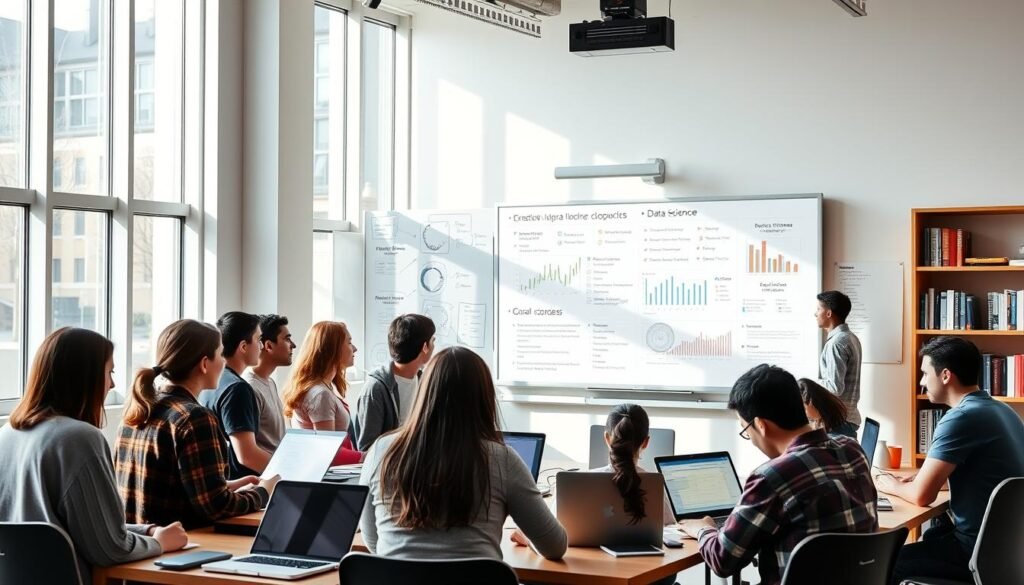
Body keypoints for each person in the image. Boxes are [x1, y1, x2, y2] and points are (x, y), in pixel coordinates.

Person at [0, 328, 187, 584]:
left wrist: (147, 530)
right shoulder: (79, 439)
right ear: (83, 376)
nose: (112, 384)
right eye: (109, 372)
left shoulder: (7, 433)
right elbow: (109, 549)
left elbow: (66, 528)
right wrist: (159, 543)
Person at [359, 346, 566, 561]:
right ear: (484, 398)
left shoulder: (381, 452)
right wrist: (529, 538)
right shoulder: (502, 460)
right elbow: (554, 546)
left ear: (424, 391)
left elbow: (373, 540)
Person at [679, 364, 878, 585]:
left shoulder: (771, 477)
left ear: (761, 425)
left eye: (746, 431)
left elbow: (722, 560)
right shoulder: (852, 449)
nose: (751, 439)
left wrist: (703, 529)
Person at [879, 336, 1024, 585]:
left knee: (883, 563)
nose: (922, 382)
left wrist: (886, 484)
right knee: (934, 533)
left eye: (925, 373)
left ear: (946, 375)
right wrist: (920, 479)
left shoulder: (961, 417)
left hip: (975, 552)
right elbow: (985, 477)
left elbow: (921, 497)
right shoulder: (1003, 411)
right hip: (1009, 552)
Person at [116, 319, 277, 529]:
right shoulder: (195, 418)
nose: (224, 362)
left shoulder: (138, 411)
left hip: (145, 543)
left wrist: (226, 486)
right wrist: (264, 491)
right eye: (220, 354)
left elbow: (168, 487)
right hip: (184, 545)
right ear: (204, 364)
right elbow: (218, 507)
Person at [199, 311, 270, 477]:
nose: (262, 347)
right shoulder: (237, 389)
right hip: (243, 487)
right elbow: (248, 456)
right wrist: (290, 472)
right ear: (243, 346)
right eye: (259, 340)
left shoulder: (212, 381)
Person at [282, 321, 362, 464]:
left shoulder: (323, 388)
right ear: (333, 349)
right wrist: (367, 457)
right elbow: (327, 453)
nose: (355, 349)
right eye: (349, 343)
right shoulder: (320, 395)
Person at [353, 313, 436, 451]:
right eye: (433, 341)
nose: (434, 347)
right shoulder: (375, 389)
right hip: (389, 469)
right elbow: (367, 448)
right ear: (425, 347)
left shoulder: (425, 381)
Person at [590, 403, 675, 526]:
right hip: (645, 546)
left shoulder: (577, 483)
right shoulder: (656, 485)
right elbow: (670, 528)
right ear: (645, 442)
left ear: (607, 438)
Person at [242, 314, 295, 452]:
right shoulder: (251, 388)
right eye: (287, 339)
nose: (293, 345)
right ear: (268, 345)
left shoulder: (270, 382)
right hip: (266, 472)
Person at [815, 290, 863, 438]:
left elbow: (835, 387)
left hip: (839, 422)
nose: (815, 314)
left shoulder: (837, 343)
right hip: (846, 419)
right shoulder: (851, 338)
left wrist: (810, 385)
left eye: (818, 309)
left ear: (828, 313)